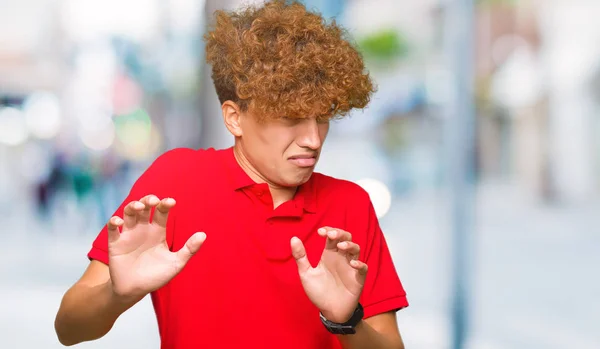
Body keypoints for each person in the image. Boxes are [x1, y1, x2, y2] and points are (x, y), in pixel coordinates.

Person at [54, 1, 408, 348]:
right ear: (234, 118)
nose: (313, 139)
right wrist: (117, 293)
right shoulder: (176, 182)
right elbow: (68, 330)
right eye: (290, 118)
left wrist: (345, 321)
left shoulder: (350, 204)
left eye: (322, 117)